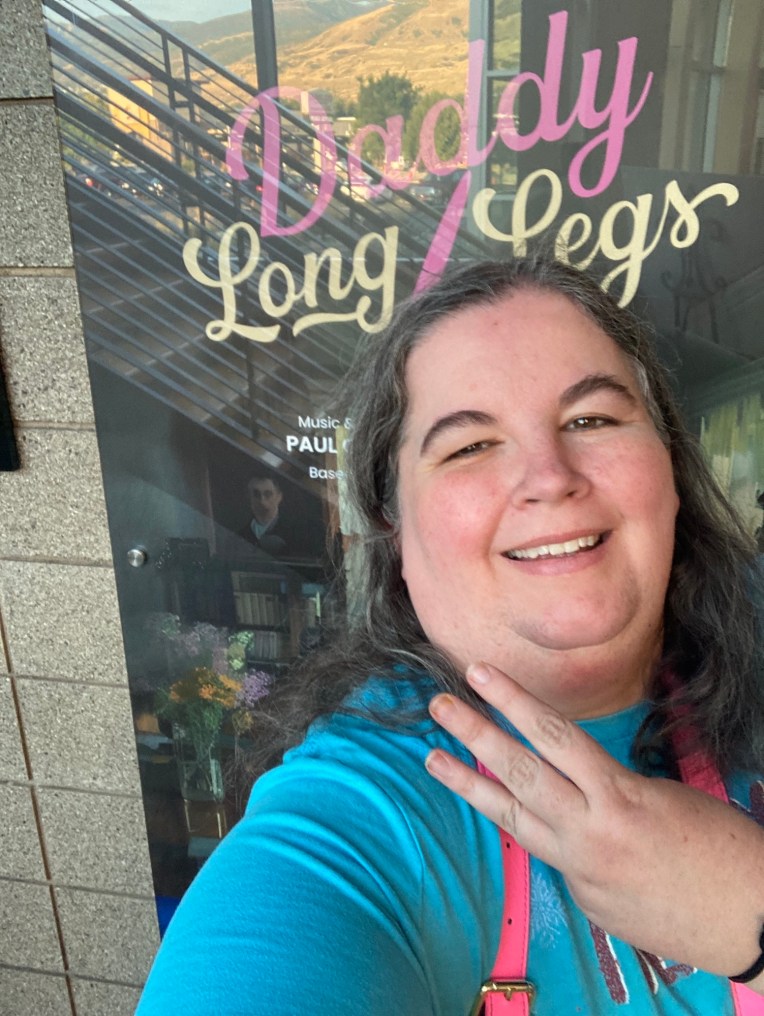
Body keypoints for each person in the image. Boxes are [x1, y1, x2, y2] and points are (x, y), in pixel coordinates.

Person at [137, 256, 764, 1014]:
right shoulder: (363, 808)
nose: (549, 476)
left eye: (592, 419)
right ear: (394, 529)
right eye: (469, 446)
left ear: (670, 467)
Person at [239, 473, 290, 555]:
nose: (261, 500)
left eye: (268, 494)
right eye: (256, 494)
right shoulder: (239, 537)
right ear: (249, 497)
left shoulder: (294, 533)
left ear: (279, 497)